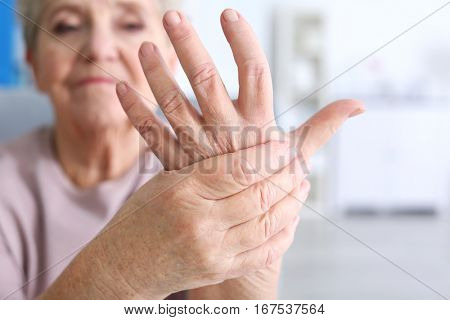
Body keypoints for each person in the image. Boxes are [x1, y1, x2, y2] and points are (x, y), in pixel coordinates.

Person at [0, 0, 364, 299]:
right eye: (65, 26)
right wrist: (125, 269)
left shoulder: (212, 174)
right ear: (33, 64)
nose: (99, 48)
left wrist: (239, 291)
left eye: (128, 25)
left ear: (170, 58)